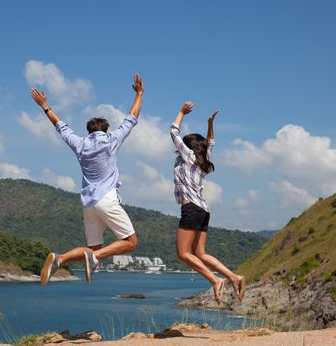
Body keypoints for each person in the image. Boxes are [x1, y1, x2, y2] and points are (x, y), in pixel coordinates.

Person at [30, 74, 144, 285]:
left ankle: (60, 258)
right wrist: (139, 94)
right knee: (131, 242)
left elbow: (60, 126)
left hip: (88, 205)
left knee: (93, 249)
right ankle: (95, 258)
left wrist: (45, 106)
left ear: (88, 131)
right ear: (105, 130)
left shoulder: (80, 144)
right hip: (107, 199)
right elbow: (132, 118)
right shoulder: (111, 141)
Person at [170, 101, 245, 304]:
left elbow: (173, 131)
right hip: (204, 210)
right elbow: (210, 141)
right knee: (200, 253)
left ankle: (215, 280)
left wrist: (181, 112)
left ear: (188, 147)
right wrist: (210, 124)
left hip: (191, 208)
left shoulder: (188, 157)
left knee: (183, 254)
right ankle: (234, 277)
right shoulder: (203, 159)